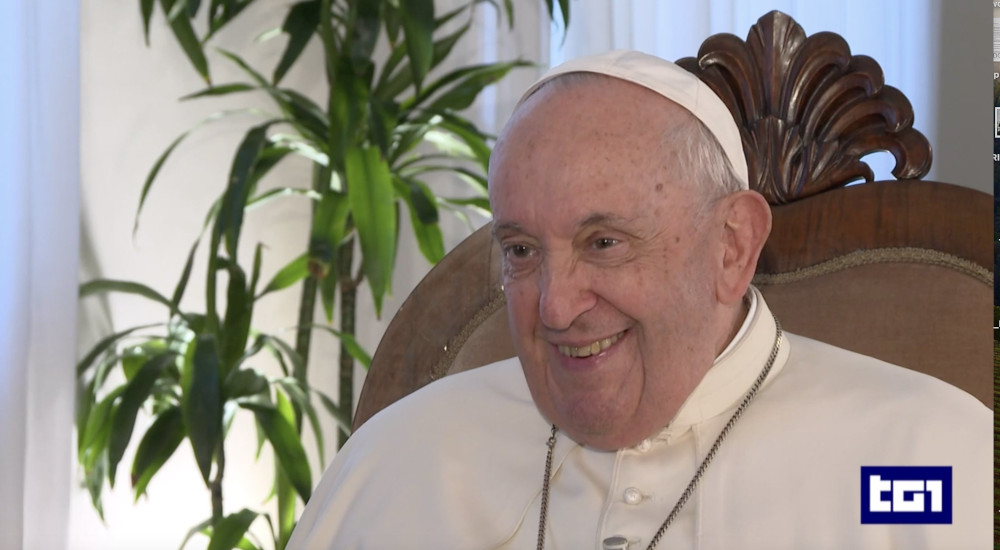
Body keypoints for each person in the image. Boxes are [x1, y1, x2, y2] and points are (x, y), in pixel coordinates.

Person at [287, 51, 991, 549]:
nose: (555, 307)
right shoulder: (398, 457)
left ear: (732, 246)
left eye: (603, 243)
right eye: (523, 251)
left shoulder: (921, 457)